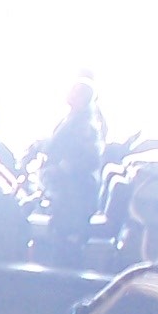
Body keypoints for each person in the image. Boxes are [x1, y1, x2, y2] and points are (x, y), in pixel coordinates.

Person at [32, 76, 105, 260]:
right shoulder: (71, 119)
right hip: (62, 187)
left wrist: (61, 169)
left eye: (74, 91)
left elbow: (89, 159)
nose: (69, 93)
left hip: (73, 191)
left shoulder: (85, 125)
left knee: (65, 239)